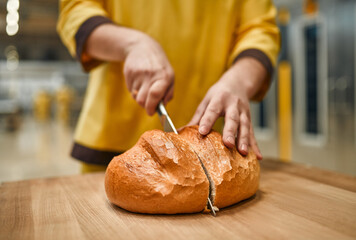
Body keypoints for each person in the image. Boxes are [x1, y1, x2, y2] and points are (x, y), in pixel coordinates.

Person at [57, 0, 280, 172]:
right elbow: (76, 11)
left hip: (210, 148)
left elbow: (260, 30)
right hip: (111, 144)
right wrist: (132, 44)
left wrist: (239, 80)